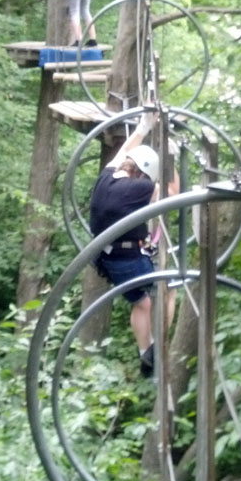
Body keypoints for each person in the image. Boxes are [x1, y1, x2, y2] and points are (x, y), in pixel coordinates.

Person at [89, 113, 177, 377]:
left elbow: (123, 152)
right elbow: (173, 194)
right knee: (169, 288)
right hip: (126, 258)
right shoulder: (138, 189)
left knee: (141, 302)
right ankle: (158, 347)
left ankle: (145, 351)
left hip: (107, 256)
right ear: (142, 174)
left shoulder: (107, 178)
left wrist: (143, 128)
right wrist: (171, 150)